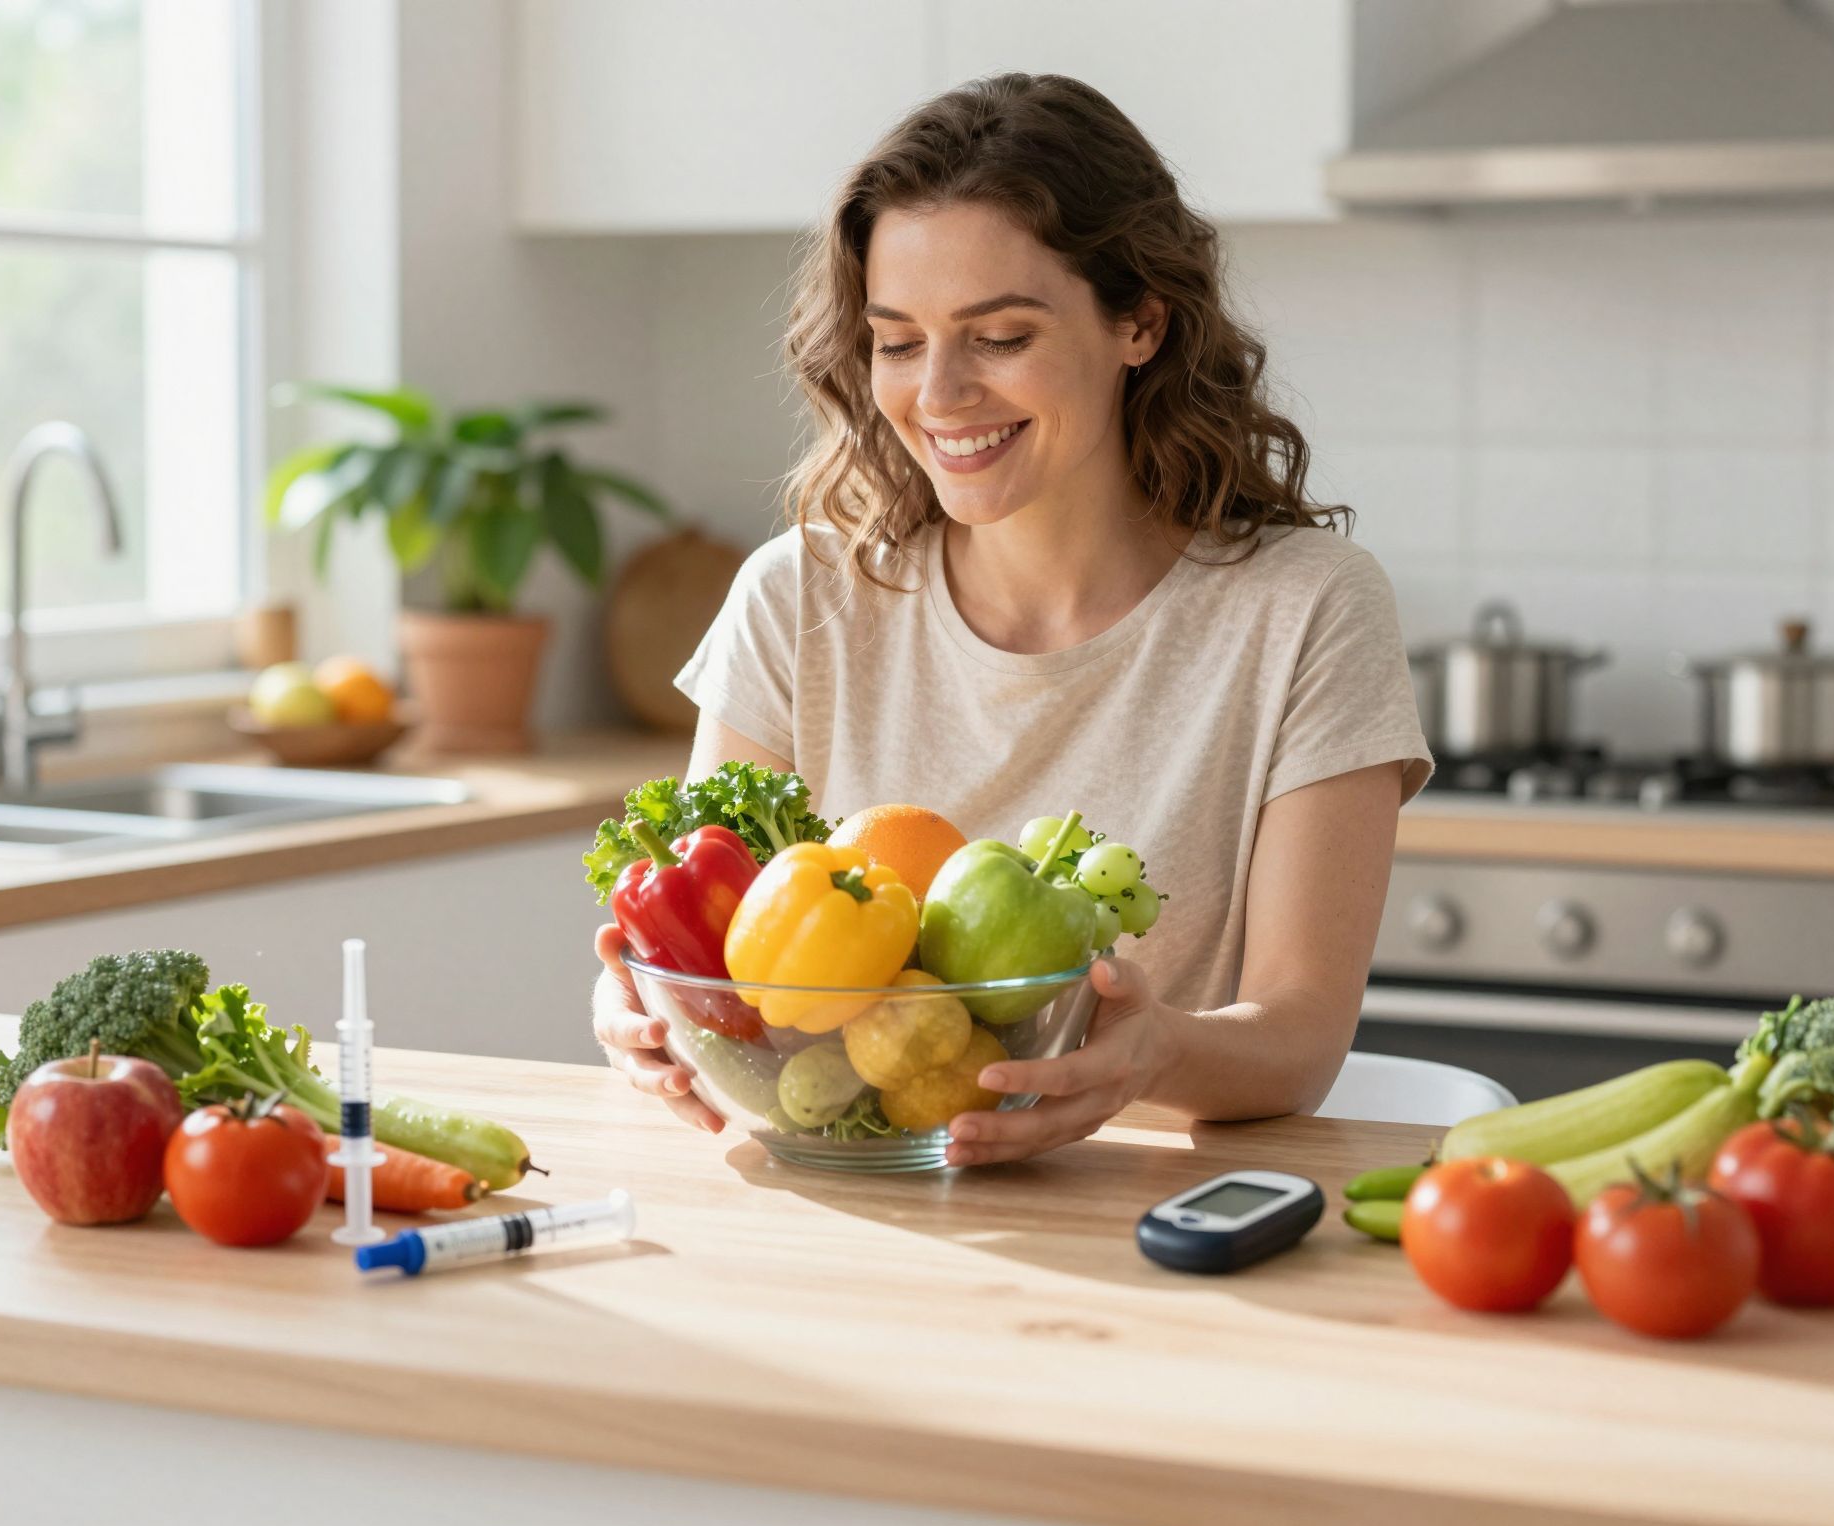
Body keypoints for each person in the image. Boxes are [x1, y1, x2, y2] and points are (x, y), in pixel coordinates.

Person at [591, 73, 1431, 1166]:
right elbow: (707, 952)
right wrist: (643, 1009)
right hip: (848, 1203)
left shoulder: (1306, 609)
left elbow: (1300, 1038)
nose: (939, 394)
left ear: (1139, 323)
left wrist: (1155, 1053)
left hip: (1137, 1214)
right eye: (898, 342)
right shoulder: (796, 598)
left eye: (997, 337)